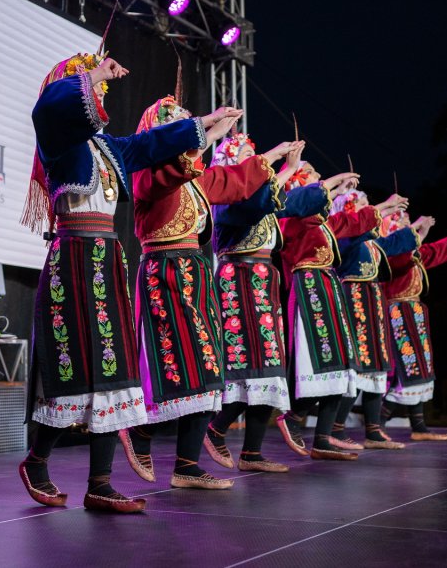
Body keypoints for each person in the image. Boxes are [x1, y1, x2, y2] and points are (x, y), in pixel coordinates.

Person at [18, 54, 240, 513]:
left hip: (106, 259)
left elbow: (149, 144)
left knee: (113, 370)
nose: (99, 94)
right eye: (91, 89)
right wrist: (93, 72)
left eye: (99, 89)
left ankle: (99, 483)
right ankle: (37, 461)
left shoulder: (107, 148)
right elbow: (48, 107)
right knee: (74, 368)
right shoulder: (58, 138)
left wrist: (205, 124)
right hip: (72, 259)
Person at [120, 97, 301, 490]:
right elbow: (169, 173)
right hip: (164, 272)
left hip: (195, 273)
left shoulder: (194, 179)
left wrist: (273, 156)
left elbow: (232, 181)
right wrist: (207, 132)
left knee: (208, 369)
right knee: (174, 367)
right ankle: (139, 433)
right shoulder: (148, 173)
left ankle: (186, 466)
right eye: (176, 130)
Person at [203, 135, 348, 473]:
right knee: (247, 364)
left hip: (262, 281)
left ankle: (251, 452)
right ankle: (216, 429)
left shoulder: (263, 195)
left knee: (269, 367)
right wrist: (283, 169)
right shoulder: (225, 198)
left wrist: (296, 171)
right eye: (249, 157)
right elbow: (255, 204)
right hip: (238, 281)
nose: (258, 164)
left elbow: (291, 203)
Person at [274, 164, 387, 462]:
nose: (318, 177)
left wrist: (342, 192)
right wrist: (334, 184)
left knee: (342, 364)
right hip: (309, 286)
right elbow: (305, 202)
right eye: (312, 173)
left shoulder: (319, 222)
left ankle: (323, 439)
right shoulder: (291, 214)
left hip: (327, 286)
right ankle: (294, 417)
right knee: (319, 361)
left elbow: (348, 222)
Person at [328, 189, 419, 452]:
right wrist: (386, 207)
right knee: (358, 364)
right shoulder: (347, 235)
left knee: (377, 365)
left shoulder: (369, 239)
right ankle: (336, 429)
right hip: (354, 298)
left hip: (372, 299)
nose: (370, 209)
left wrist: (414, 227)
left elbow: (391, 245)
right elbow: (356, 234)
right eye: (364, 204)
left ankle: (373, 430)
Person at [383, 216, 447, 441]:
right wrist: (419, 234)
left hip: (413, 313)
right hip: (398, 313)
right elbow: (403, 260)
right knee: (405, 372)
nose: (408, 223)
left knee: (418, 371)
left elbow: (433, 251)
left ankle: (419, 428)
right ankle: (376, 426)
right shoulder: (390, 252)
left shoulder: (411, 252)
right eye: (403, 222)